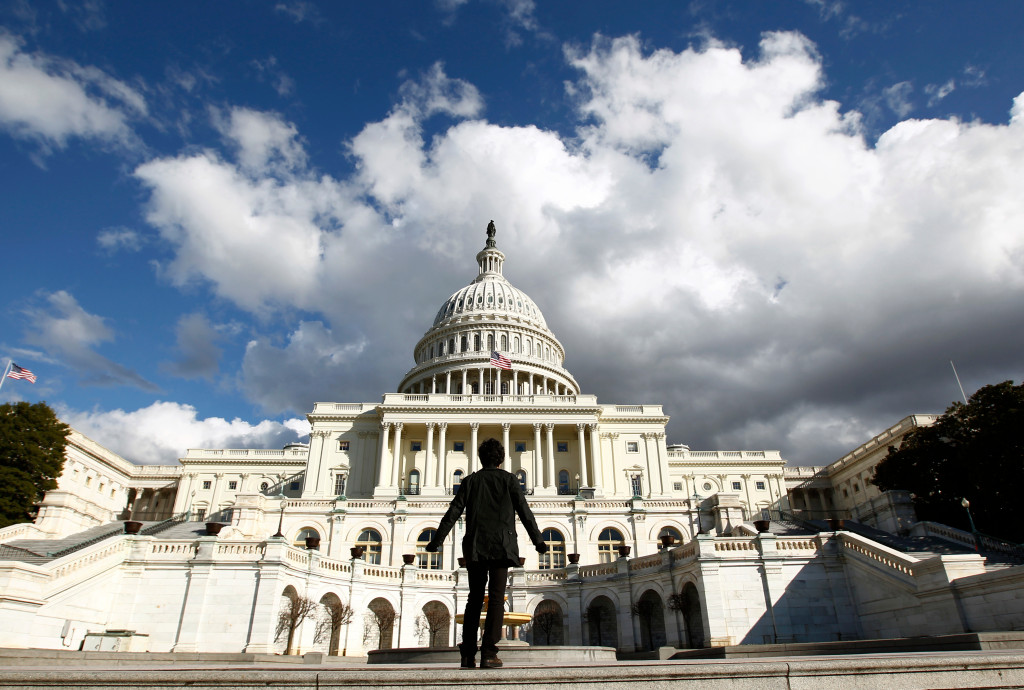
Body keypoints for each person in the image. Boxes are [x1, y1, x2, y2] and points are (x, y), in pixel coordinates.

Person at [426, 438, 547, 669]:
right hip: (502, 546)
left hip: (476, 546)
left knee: (474, 598)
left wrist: (437, 540)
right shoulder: (509, 480)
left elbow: (453, 511)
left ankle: (468, 652)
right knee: (496, 599)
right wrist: (538, 541)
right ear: (501, 459)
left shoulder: (471, 481)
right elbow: (525, 512)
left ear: (481, 458)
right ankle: (489, 653)